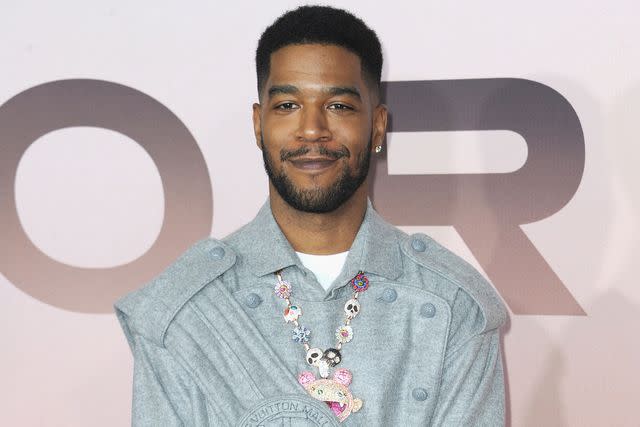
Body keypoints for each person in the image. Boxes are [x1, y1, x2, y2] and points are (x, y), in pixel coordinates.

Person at [115, 5, 507, 426]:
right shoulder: (181, 310)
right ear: (258, 124)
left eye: (338, 105)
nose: (312, 129)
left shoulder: (454, 304)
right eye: (287, 105)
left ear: (377, 127)